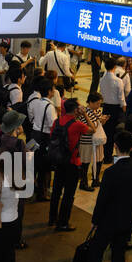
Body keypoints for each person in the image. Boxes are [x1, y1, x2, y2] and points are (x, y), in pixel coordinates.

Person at [68, 131, 132, 262]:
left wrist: (95, 220)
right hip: (126, 220)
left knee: (95, 256)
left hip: (107, 221)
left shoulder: (111, 172)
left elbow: (102, 199)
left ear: (116, 146)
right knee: (119, 256)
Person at [48, 96, 89, 232]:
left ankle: (52, 218)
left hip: (59, 160)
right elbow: (93, 129)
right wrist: (84, 115)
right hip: (72, 162)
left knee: (56, 191)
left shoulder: (57, 121)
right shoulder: (77, 124)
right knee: (68, 194)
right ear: (76, 109)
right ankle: (63, 222)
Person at [99, 56, 127, 137]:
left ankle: (106, 148)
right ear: (114, 66)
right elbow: (121, 99)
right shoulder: (118, 81)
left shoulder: (102, 79)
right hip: (116, 109)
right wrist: (124, 110)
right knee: (114, 132)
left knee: (106, 131)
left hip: (105, 107)